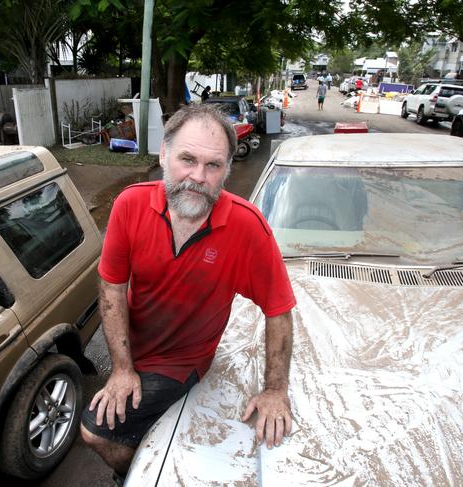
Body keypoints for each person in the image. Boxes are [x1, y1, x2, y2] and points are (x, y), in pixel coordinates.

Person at [80, 104, 296, 483]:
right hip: (133, 351)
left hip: (181, 362)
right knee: (123, 424)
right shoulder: (130, 204)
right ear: (163, 154)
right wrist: (121, 368)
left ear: (227, 169)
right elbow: (112, 288)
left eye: (213, 166)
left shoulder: (247, 228)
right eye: (187, 159)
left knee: (93, 431)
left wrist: (275, 390)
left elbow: (279, 310)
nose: (198, 176)